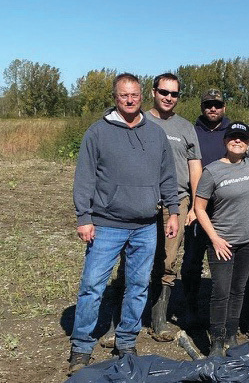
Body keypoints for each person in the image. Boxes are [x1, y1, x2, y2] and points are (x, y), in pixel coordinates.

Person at [68, 73, 179, 375]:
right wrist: (84, 218)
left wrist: (173, 212)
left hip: (145, 226)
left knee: (138, 285)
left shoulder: (155, 134)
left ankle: (127, 339)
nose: (129, 100)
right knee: (92, 286)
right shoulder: (98, 132)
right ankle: (81, 347)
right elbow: (85, 177)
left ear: (142, 95)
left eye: (134, 95)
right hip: (106, 225)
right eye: (123, 96)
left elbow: (168, 176)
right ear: (115, 97)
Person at [194, 122, 249, 356]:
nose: (237, 141)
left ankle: (232, 334)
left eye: (242, 138)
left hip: (248, 240)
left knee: (238, 289)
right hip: (222, 242)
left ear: (248, 143)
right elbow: (199, 208)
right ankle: (217, 341)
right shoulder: (212, 171)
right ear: (225, 141)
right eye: (232, 137)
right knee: (221, 291)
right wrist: (215, 239)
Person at [145, 73, 203, 341]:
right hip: (143, 201)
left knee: (168, 260)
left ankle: (159, 319)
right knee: (136, 260)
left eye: (174, 94)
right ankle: (126, 316)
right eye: (164, 92)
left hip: (177, 203)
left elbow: (194, 167)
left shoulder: (185, 127)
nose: (168, 98)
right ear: (153, 92)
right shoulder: (140, 121)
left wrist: (195, 205)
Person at [182, 89, 231, 327]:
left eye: (217, 105)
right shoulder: (192, 131)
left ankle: (228, 310)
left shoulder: (233, 131)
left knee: (228, 258)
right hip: (198, 206)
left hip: (226, 207)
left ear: (224, 107)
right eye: (208, 105)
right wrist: (192, 205)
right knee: (192, 260)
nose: (213, 109)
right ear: (202, 107)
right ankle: (190, 307)